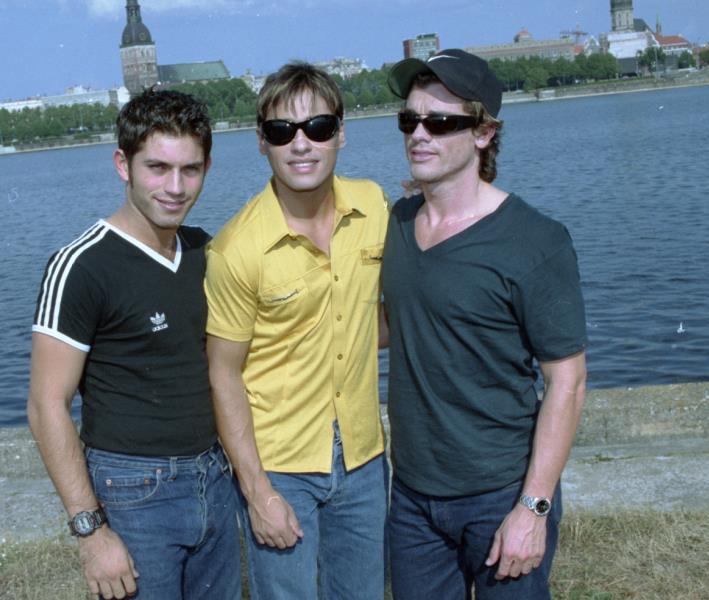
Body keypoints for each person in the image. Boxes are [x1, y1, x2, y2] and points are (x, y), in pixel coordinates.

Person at [381, 49, 588, 599]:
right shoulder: (397, 223)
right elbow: (397, 323)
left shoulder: (536, 241)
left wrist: (533, 507)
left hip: (501, 494)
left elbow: (567, 382)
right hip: (412, 497)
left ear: (484, 133)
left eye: (440, 122)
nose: (418, 134)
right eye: (409, 119)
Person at [26, 89, 240, 600]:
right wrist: (91, 531)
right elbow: (46, 404)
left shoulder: (203, 250)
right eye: (157, 168)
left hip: (214, 475)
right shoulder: (81, 265)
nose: (175, 187)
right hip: (134, 492)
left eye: (190, 170)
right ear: (123, 165)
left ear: (207, 168)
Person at [205, 62, 390, 599]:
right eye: (283, 131)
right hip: (280, 467)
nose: (302, 144)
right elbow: (223, 374)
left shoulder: (374, 207)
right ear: (262, 141)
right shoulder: (235, 250)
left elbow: (377, 317)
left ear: (341, 134)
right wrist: (257, 491)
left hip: (364, 455)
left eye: (319, 127)